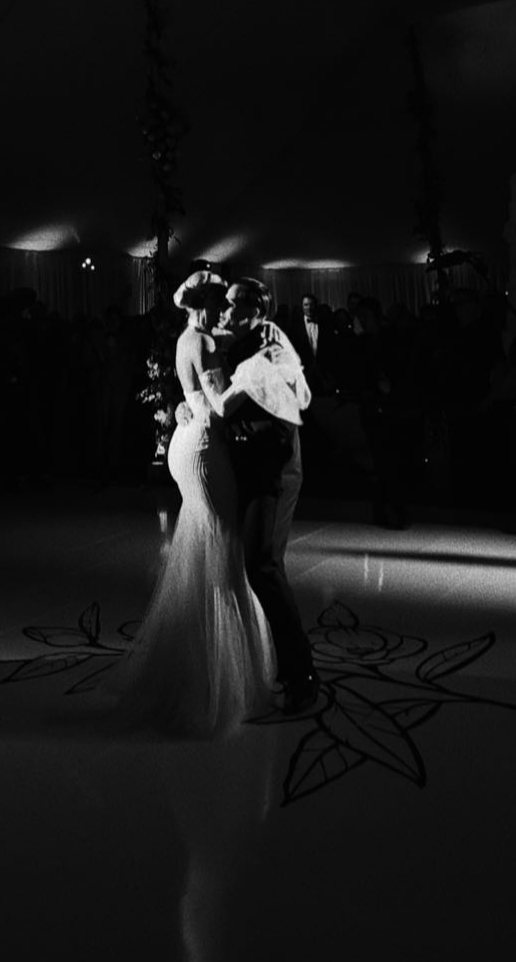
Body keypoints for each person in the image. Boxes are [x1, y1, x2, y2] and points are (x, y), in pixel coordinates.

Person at [104, 271, 276, 736]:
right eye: (222, 304)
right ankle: (212, 679)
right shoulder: (203, 341)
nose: (226, 312)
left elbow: (194, 391)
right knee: (223, 547)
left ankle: (192, 664)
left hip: (186, 441)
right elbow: (219, 405)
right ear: (208, 304)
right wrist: (253, 378)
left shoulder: (188, 337)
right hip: (204, 447)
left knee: (203, 546)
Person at [220, 278, 320, 715]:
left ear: (255, 311)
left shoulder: (270, 349)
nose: (225, 313)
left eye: (233, 306)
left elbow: (286, 414)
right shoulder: (246, 339)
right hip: (257, 466)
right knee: (257, 565)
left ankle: (302, 674)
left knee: (263, 565)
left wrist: (236, 425)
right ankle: (272, 663)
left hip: (275, 470)